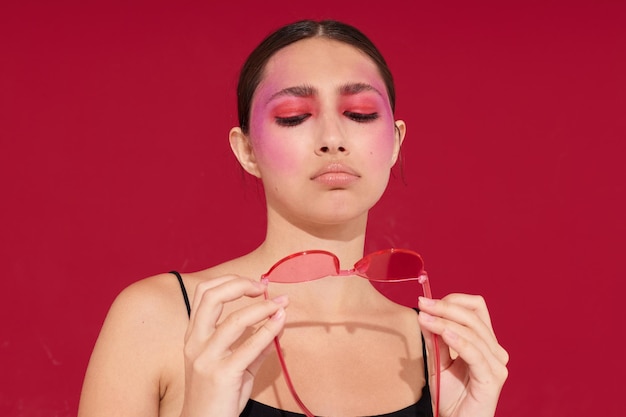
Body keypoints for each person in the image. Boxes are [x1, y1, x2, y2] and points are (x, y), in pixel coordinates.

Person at [77, 19, 509, 417]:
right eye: (294, 116)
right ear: (246, 149)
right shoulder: (161, 318)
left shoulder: (437, 353)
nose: (332, 139)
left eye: (359, 113)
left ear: (396, 142)